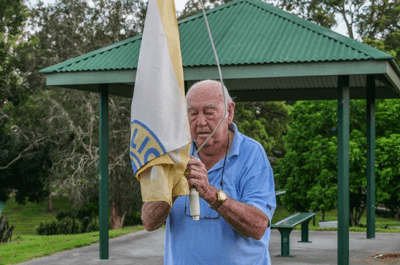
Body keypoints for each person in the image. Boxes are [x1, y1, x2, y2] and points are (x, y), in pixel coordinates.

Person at [141, 80, 276, 265]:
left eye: (209, 112)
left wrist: (210, 193)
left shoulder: (251, 154)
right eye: (193, 113)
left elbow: (258, 226)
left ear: (229, 112)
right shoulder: (172, 155)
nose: (201, 121)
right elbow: (149, 221)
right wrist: (172, 188)